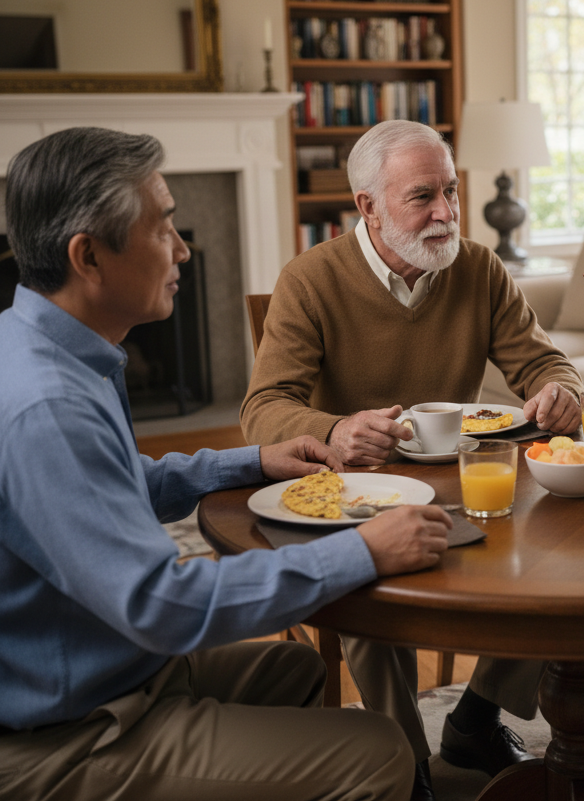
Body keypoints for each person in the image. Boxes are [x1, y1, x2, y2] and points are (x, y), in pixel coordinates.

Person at [0, 127, 457, 801]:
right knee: (378, 753)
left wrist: (249, 462)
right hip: (72, 731)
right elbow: (162, 605)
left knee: (295, 673)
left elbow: (115, 485)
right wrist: (361, 550)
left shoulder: (58, 350)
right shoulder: (46, 407)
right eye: (164, 228)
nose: (183, 249)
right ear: (88, 256)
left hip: (110, 668)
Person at [239, 120, 584, 799]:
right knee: (365, 581)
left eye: (451, 192)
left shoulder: (478, 267)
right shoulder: (309, 280)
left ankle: (477, 718)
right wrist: (335, 429)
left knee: (567, 550)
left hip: (462, 480)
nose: (447, 214)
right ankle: (408, 766)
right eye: (423, 197)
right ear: (368, 206)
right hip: (358, 491)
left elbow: (543, 361)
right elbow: (263, 409)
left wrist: (559, 392)